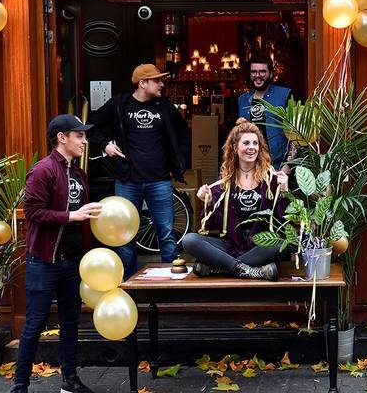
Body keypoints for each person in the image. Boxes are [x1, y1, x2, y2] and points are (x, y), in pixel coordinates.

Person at [11, 114, 102, 393]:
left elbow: (80, 214)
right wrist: (71, 215)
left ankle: (70, 381)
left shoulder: (78, 172)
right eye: (79, 135)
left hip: (72, 261)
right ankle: (20, 385)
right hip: (44, 261)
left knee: (71, 323)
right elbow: (33, 212)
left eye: (84, 136)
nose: (84, 141)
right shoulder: (43, 170)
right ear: (62, 138)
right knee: (35, 323)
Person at [89, 63, 190, 275]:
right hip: (128, 181)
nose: (162, 84)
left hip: (159, 180)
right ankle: (129, 283)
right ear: (142, 83)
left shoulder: (164, 107)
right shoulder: (119, 104)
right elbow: (92, 126)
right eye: (157, 80)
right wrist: (105, 144)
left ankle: (170, 283)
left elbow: (183, 134)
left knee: (167, 233)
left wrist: (177, 164)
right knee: (125, 235)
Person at [182, 118, 289, 281]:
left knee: (282, 244)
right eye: (246, 143)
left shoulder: (271, 179)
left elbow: (282, 223)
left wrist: (284, 193)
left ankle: (220, 269)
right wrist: (209, 202)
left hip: (260, 246)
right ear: (235, 147)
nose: (251, 148)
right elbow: (212, 225)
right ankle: (250, 270)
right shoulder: (224, 181)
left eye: (255, 143)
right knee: (189, 240)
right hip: (230, 245)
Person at [238, 56, 292, 170]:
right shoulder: (242, 100)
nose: (257, 75)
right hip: (251, 167)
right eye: (254, 72)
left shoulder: (284, 95)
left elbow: (295, 134)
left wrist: (288, 165)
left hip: (279, 166)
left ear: (271, 74)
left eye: (262, 71)